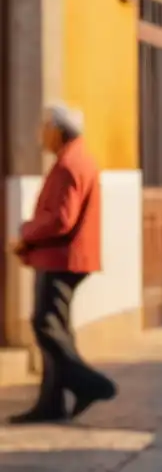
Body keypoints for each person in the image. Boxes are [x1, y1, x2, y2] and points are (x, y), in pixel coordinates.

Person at [8, 103, 117, 424]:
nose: (41, 134)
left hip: (62, 257)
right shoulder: (74, 159)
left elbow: (61, 220)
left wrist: (26, 233)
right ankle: (51, 403)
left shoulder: (70, 163)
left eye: (44, 128)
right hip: (61, 256)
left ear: (57, 130)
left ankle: (87, 382)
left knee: (45, 325)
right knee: (56, 327)